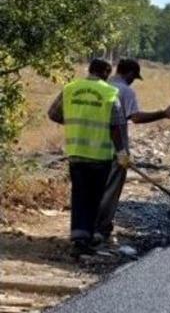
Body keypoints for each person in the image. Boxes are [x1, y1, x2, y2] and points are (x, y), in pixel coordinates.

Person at [92, 59, 170, 245]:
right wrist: (163, 113)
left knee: (94, 190)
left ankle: (88, 227)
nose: (134, 80)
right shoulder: (125, 91)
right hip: (115, 149)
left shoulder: (103, 86)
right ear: (130, 73)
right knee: (110, 191)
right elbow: (136, 118)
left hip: (92, 147)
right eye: (134, 76)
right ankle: (101, 229)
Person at [48, 59, 125, 255]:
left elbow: (53, 114)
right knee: (94, 198)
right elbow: (115, 126)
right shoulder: (109, 93)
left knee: (80, 194)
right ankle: (87, 238)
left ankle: (78, 237)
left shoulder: (70, 88)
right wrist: (121, 152)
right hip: (100, 156)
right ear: (106, 72)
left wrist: (76, 122)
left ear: (89, 70)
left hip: (76, 153)